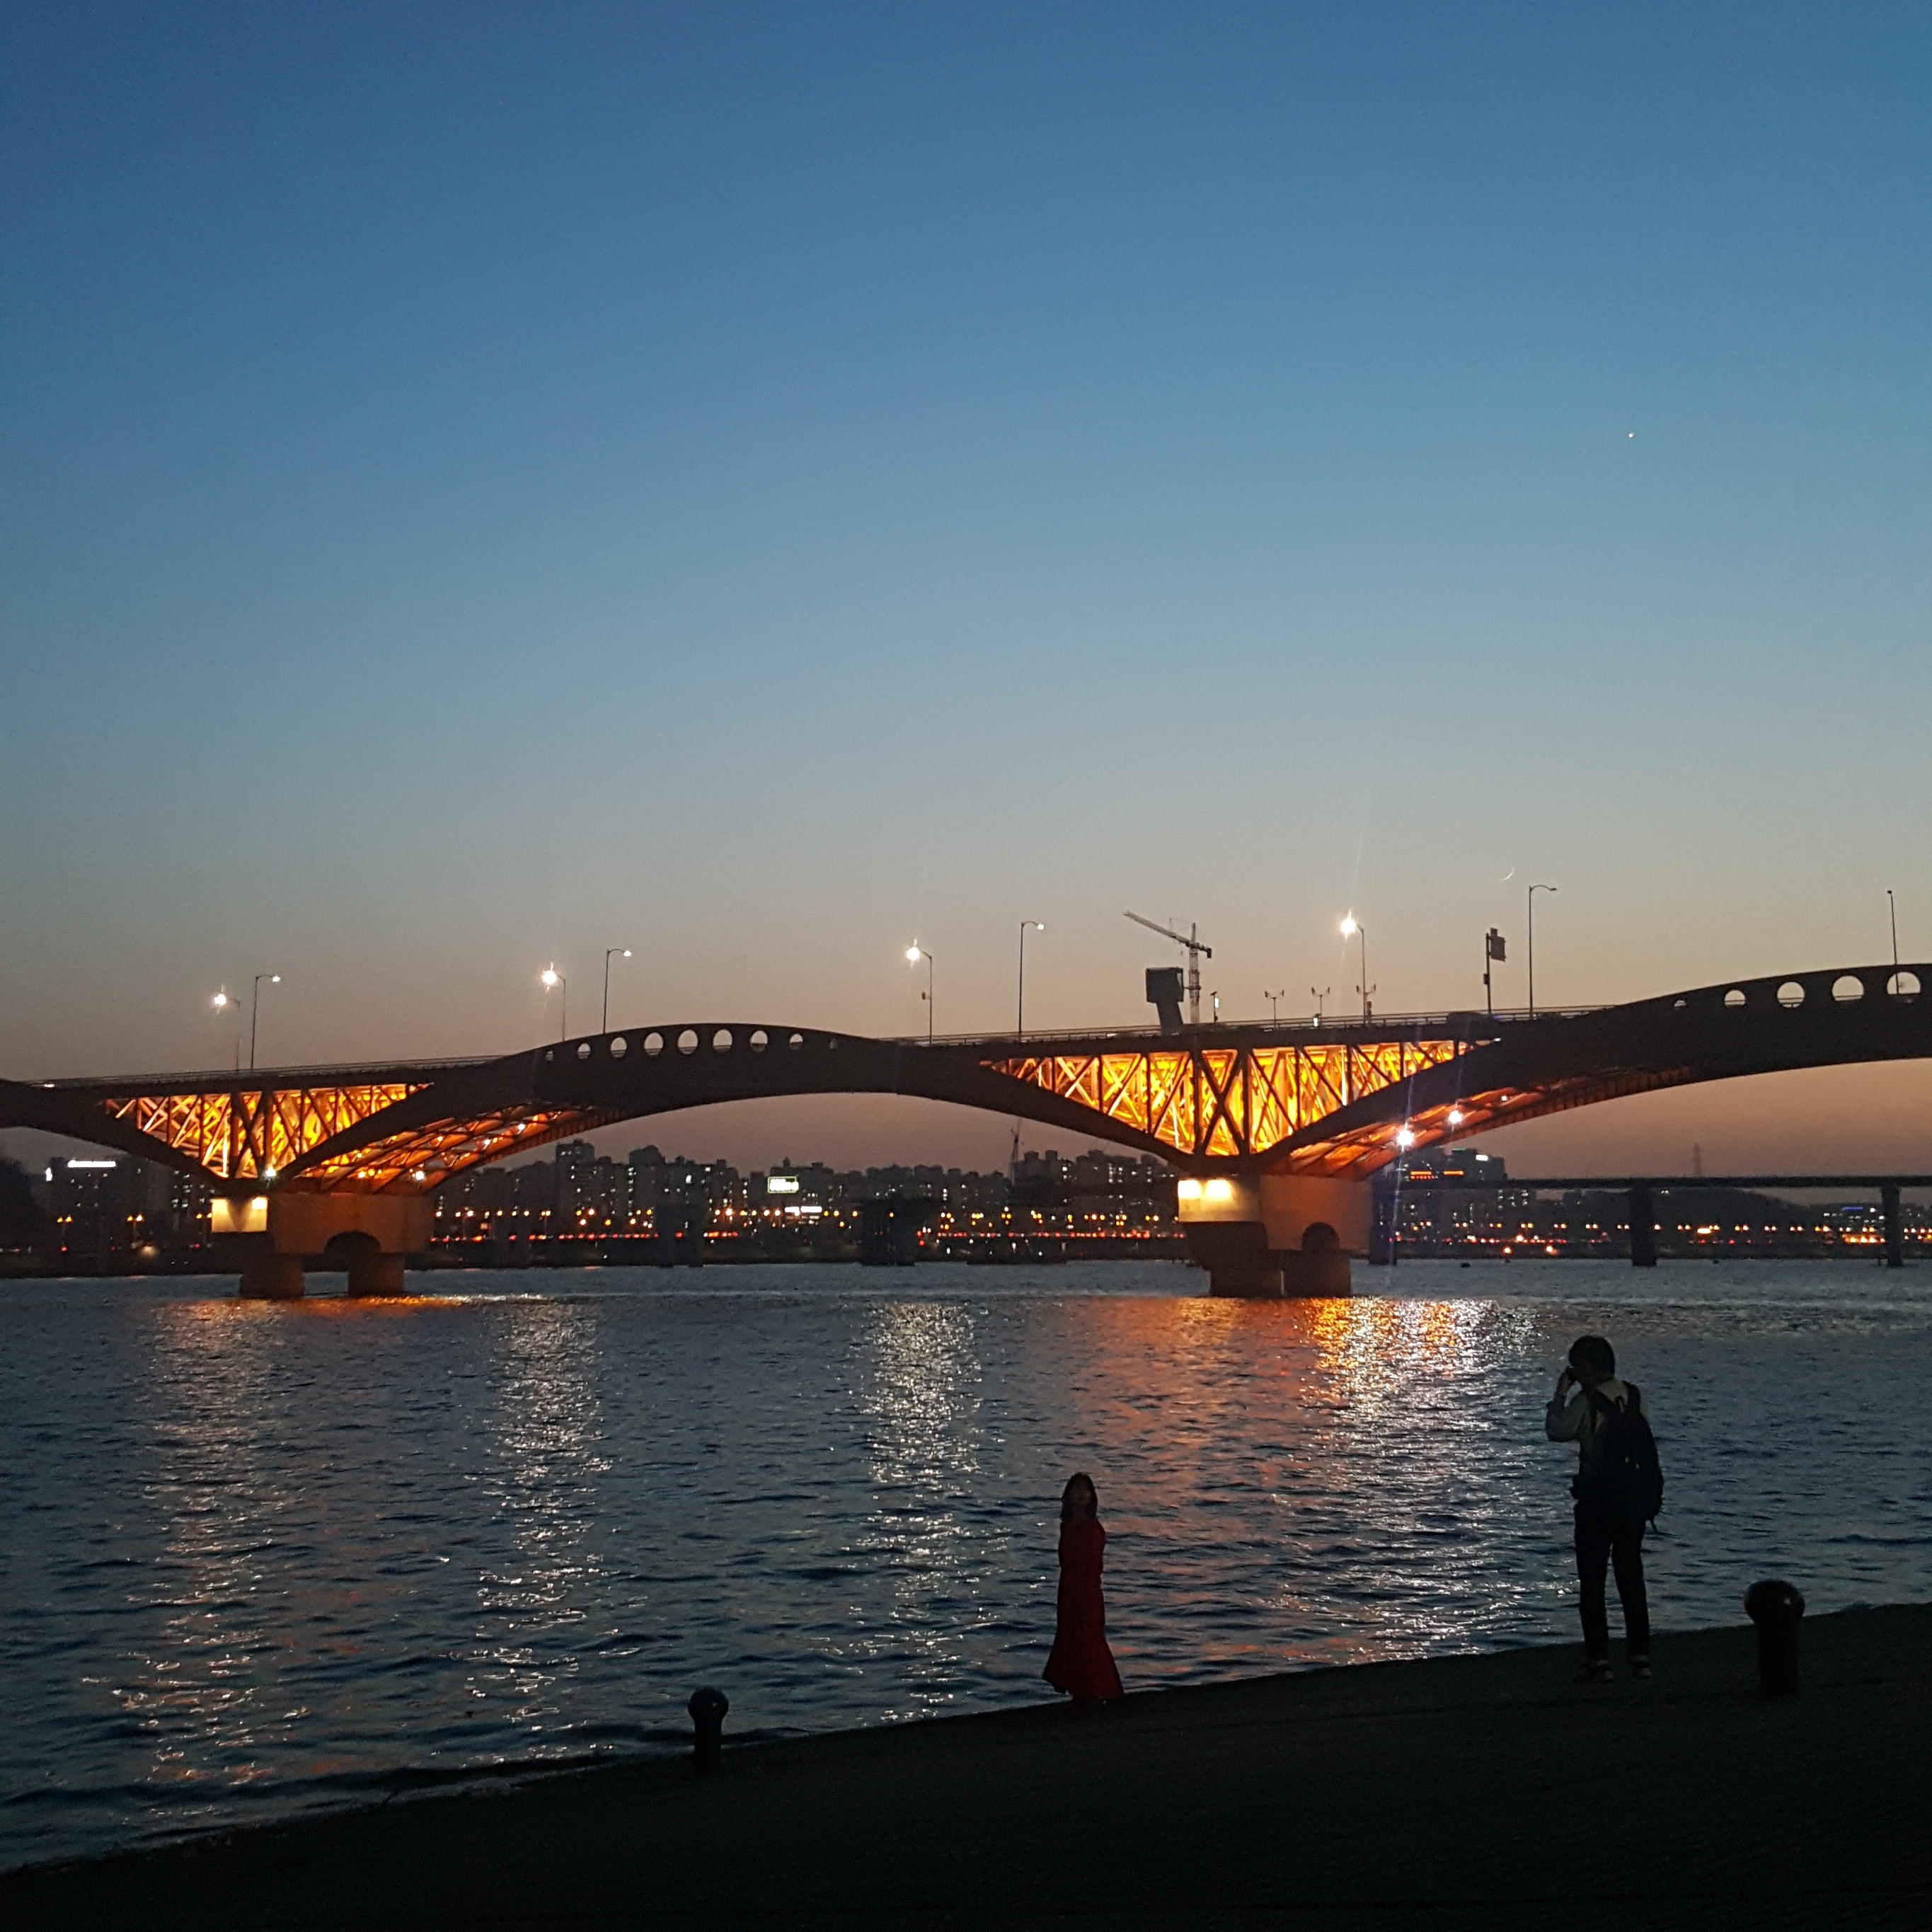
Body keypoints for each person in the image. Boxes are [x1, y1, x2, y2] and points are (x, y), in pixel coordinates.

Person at [1545, 1334, 1656, 1682]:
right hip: (1633, 1501)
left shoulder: (1586, 1401)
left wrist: (1560, 1395)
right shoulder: (1634, 1396)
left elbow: (1557, 1431)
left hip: (1597, 1501)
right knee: (1631, 1578)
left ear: (1588, 1369)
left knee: (1593, 1583)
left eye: (1576, 1368)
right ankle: (1641, 1657)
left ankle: (1599, 1661)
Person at [1044, 1471, 1124, 1704]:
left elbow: (1092, 1569)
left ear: (1091, 1496)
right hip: (1068, 1590)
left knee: (1089, 1641)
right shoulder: (1067, 1526)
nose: (1080, 1495)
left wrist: (1085, 1599)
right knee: (1071, 1639)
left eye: (1085, 1490)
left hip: (1087, 1591)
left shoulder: (1093, 1529)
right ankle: (1080, 1692)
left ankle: (1102, 1691)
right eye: (1076, 1490)